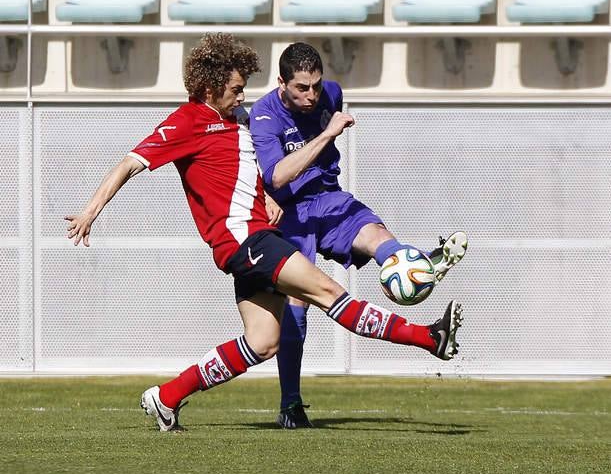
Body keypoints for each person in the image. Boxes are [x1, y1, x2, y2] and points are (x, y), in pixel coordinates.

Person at [65, 33, 464, 433]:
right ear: (209, 87)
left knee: (263, 341)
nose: (242, 97)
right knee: (327, 293)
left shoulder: (235, 120)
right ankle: (430, 339)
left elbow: (244, 173)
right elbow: (129, 164)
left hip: (249, 243)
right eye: (236, 89)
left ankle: (166, 398)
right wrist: (90, 211)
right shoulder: (185, 122)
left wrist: (266, 197)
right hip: (248, 242)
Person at [250, 42, 468, 429]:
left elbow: (320, 123)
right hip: (290, 216)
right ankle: (290, 404)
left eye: (316, 85)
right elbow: (276, 176)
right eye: (302, 87)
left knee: (377, 234)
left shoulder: (332, 94)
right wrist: (325, 135)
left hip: (328, 200)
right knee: (296, 310)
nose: (312, 95)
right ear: (281, 82)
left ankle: (415, 265)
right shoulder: (265, 116)